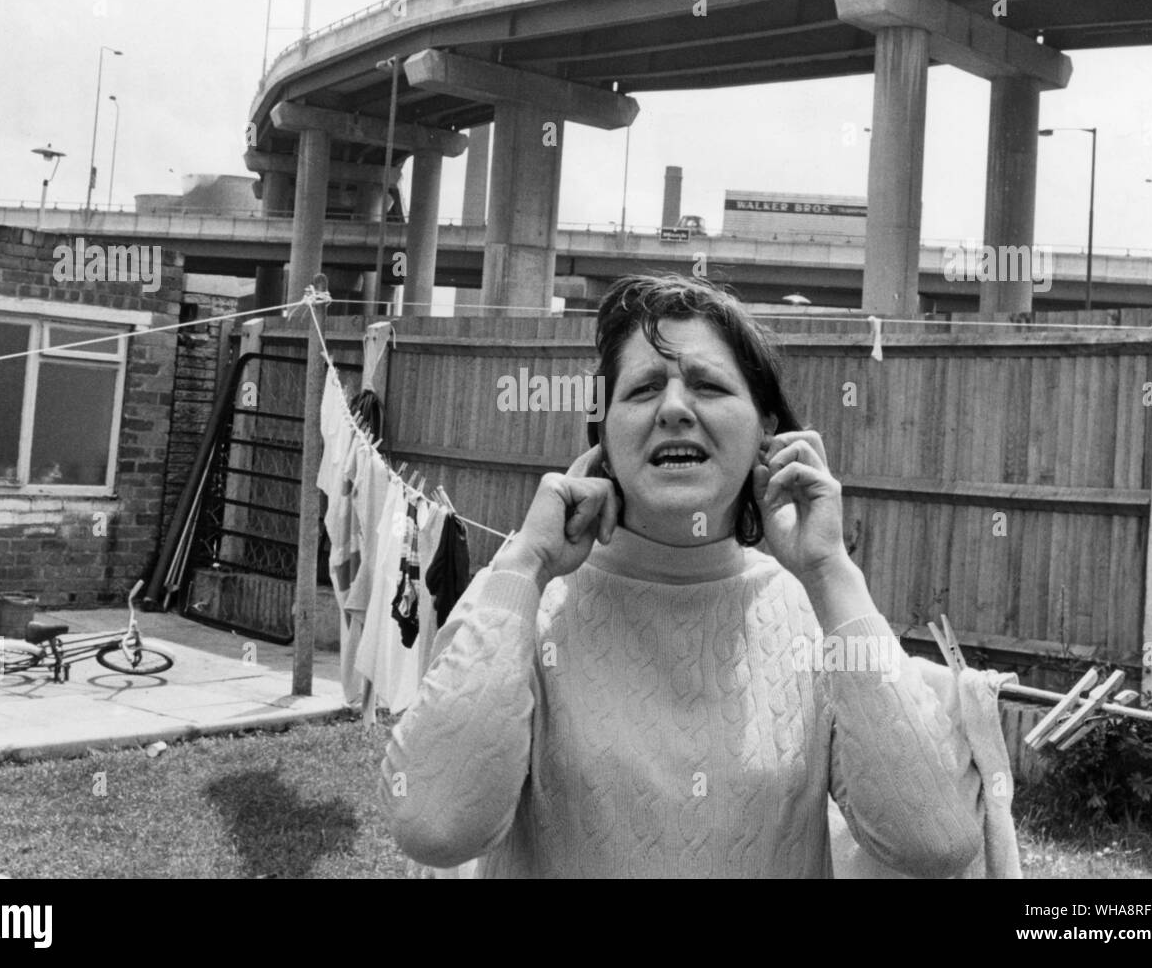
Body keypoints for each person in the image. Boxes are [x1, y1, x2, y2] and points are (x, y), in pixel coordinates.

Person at [379, 273, 983, 878]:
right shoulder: (520, 602)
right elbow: (433, 826)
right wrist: (525, 565)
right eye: (642, 390)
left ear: (766, 432)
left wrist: (830, 573)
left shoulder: (815, 616)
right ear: (604, 442)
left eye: (708, 385)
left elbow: (938, 840)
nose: (673, 408)